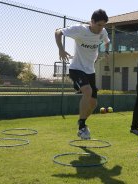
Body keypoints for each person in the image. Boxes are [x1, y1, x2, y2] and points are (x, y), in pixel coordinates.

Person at [55, 9, 110, 139]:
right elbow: (58, 32)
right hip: (76, 68)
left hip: (90, 70)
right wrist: (61, 49)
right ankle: (81, 128)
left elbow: (107, 42)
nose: (101, 28)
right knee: (87, 91)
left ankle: (82, 122)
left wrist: (106, 51)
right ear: (92, 22)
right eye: (99, 25)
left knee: (93, 104)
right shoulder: (80, 30)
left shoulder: (103, 32)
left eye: (103, 25)